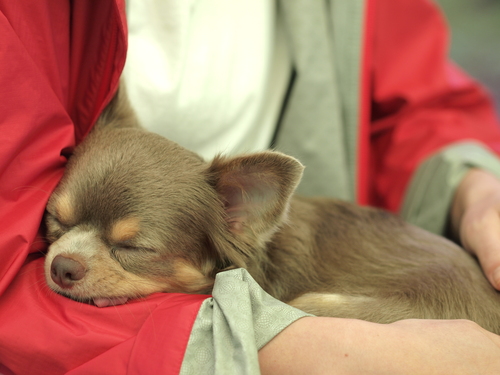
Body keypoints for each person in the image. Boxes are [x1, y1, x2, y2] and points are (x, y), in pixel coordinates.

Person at [1, 0, 500, 373]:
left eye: (130, 246)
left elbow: (413, 97)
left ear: (240, 212)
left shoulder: (232, 208)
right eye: (59, 223)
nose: (66, 256)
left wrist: (472, 185)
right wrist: (281, 347)